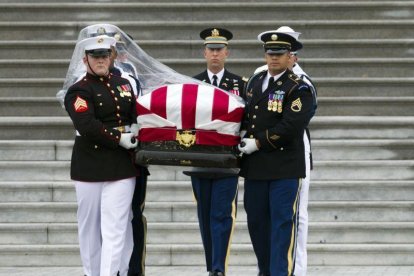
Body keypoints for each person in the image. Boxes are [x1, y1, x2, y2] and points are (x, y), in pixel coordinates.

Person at [238, 30, 314, 276]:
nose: (273, 59)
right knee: (257, 225)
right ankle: (265, 271)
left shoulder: (299, 87)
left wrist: (258, 143)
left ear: (291, 57)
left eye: (279, 54)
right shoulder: (254, 81)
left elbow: (291, 125)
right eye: (270, 54)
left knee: (282, 227)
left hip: (284, 168)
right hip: (256, 168)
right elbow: (247, 116)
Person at [64, 35, 139, 276]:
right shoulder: (78, 91)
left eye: (104, 56)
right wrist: (119, 138)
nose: (100, 60)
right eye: (95, 56)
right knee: (89, 228)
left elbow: (135, 112)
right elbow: (86, 125)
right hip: (90, 164)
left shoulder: (123, 84)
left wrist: (139, 126)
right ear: (85, 59)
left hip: (121, 165)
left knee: (116, 226)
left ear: (111, 57)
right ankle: (91, 272)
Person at [183, 27, 246, 276]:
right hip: (200, 158)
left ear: (227, 53)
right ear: (204, 53)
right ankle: (211, 266)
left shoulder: (240, 84)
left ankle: (219, 268)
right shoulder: (192, 84)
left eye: (220, 50)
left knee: (222, 216)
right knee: (205, 217)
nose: (215, 54)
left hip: (226, 160)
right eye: (211, 50)